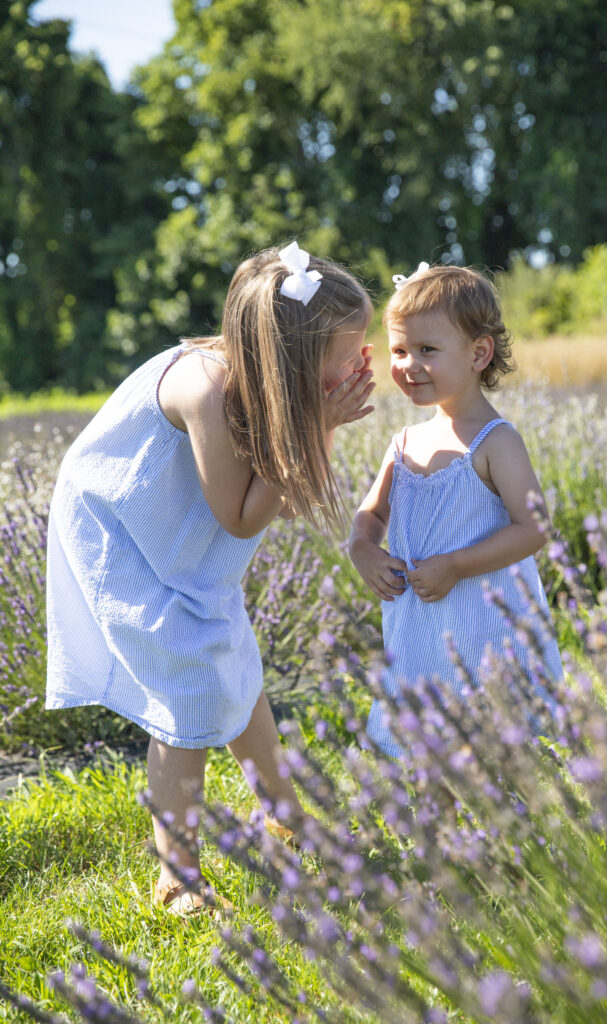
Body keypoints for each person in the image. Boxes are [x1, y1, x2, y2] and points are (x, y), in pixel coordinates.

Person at [46, 241, 374, 916]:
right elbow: (241, 516)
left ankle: (281, 814)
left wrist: (320, 421)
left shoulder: (264, 385)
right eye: (344, 354)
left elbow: (275, 495)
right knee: (188, 680)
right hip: (121, 527)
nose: (355, 364)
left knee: (228, 650)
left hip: (175, 519)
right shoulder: (206, 388)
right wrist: (322, 424)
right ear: (287, 359)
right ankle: (177, 872)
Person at [349, 263, 562, 758]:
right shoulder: (404, 442)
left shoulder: (495, 442)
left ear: (478, 352)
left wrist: (456, 565)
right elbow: (371, 514)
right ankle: (440, 828)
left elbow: (534, 528)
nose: (407, 364)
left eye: (427, 350)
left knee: (498, 748)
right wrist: (362, 549)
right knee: (430, 748)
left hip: (485, 626)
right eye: (399, 350)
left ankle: (509, 828)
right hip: (420, 631)